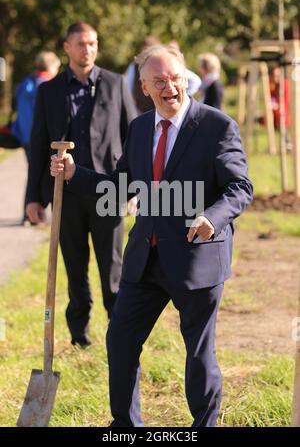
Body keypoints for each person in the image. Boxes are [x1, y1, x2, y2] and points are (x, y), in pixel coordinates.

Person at [51, 44, 253, 426]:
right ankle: (126, 426)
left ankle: (202, 426)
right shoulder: (141, 128)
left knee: (198, 351)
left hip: (198, 256)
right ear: (144, 87)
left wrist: (213, 216)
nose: (169, 87)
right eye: (159, 81)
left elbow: (239, 187)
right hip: (146, 257)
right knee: (121, 340)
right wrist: (75, 174)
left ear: (186, 80)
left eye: (175, 79)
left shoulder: (216, 126)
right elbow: (120, 185)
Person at [26, 22, 137, 347]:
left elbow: (134, 136)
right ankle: (79, 337)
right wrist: (33, 197)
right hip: (66, 194)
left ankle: (120, 337)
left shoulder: (115, 84)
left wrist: (134, 191)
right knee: (75, 267)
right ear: (67, 48)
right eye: (80, 44)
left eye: (92, 43)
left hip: (109, 190)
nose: (87, 49)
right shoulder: (50, 90)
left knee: (113, 268)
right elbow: (38, 142)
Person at [0, 51, 61, 223]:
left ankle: (29, 214)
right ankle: (33, 213)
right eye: (56, 67)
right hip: (41, 137)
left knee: (33, 172)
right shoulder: (50, 85)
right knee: (42, 173)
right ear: (50, 67)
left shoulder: (25, 82)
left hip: (24, 135)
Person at [125, 35, 161, 114]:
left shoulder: (164, 65)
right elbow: (127, 90)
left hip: (161, 111)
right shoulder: (134, 67)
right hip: (140, 112)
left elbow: (194, 81)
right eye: (145, 49)